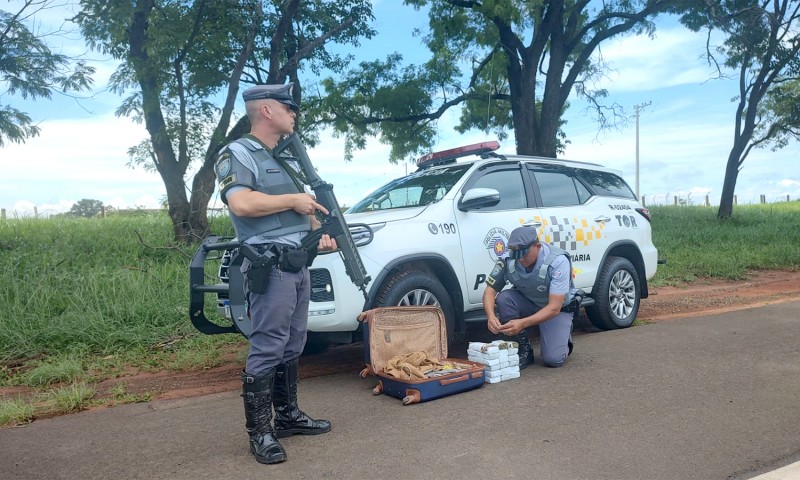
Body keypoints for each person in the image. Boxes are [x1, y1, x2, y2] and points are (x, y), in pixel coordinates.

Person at [214, 82, 336, 465]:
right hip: (269, 264)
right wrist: (293, 199)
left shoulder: (286, 156)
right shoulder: (238, 153)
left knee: (294, 342)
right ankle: (260, 433)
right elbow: (242, 203)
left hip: (297, 264)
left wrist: (320, 234)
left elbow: (303, 211)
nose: (294, 113)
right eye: (288, 107)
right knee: (268, 345)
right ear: (266, 110)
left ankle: (287, 416)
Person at [482, 226, 578, 369]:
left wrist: (523, 323)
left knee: (553, 359)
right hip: (529, 301)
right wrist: (490, 317)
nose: (520, 259)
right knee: (504, 298)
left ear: (538, 246)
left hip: (555, 309)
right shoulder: (508, 259)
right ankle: (524, 350)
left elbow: (554, 307)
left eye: (525, 254)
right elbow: (489, 292)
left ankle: (564, 336)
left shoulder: (557, 261)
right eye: (517, 255)